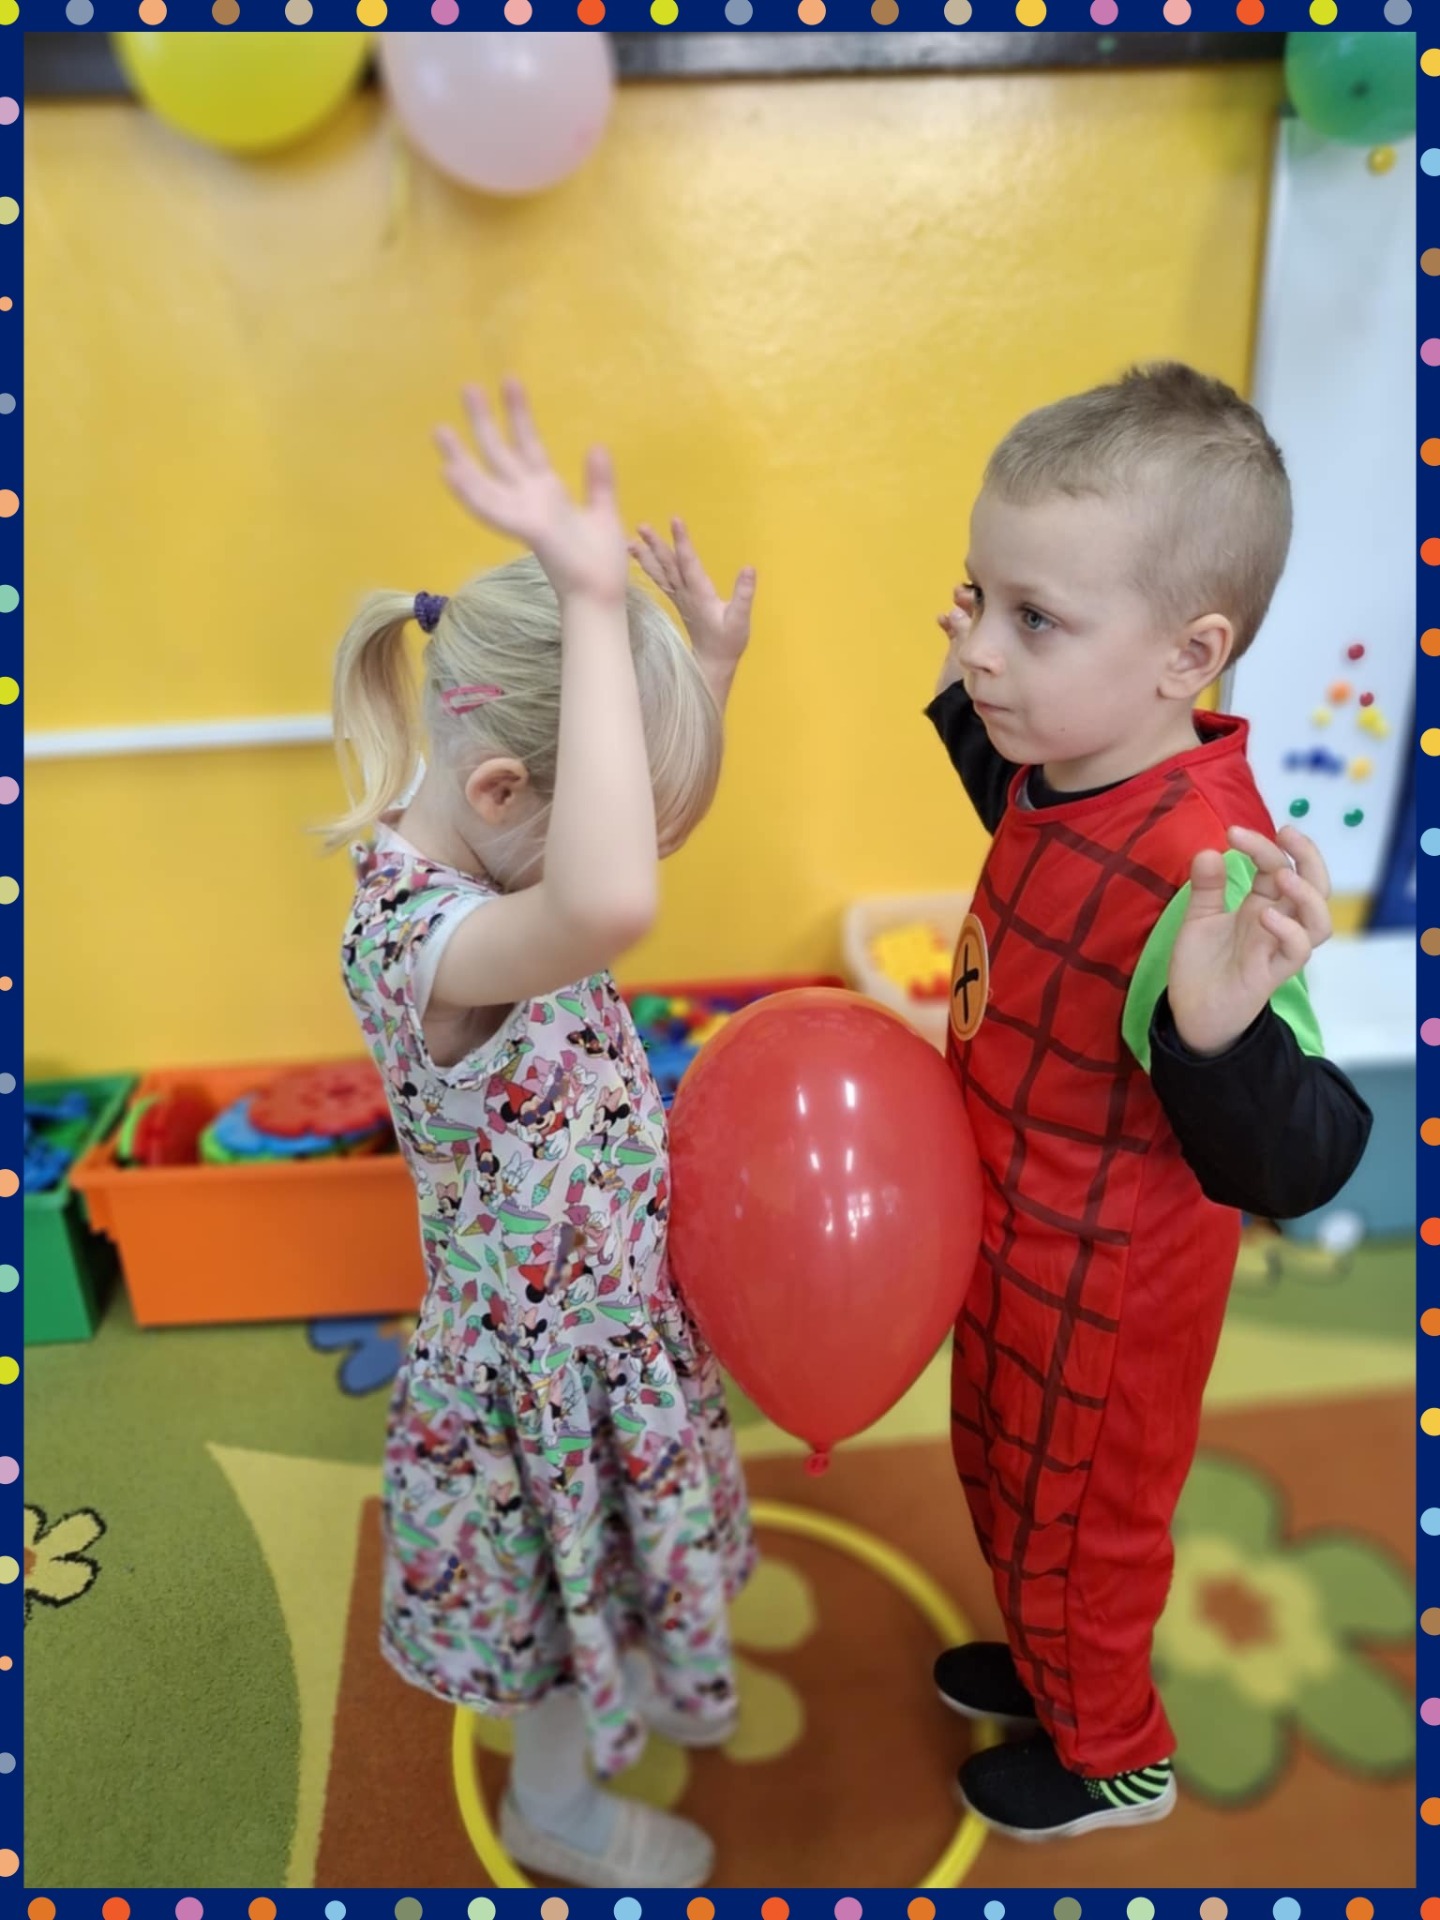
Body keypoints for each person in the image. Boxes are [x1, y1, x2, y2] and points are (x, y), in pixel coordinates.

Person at [924, 362, 1373, 1841]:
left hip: (1106, 1303)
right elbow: (1036, 839)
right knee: (1002, 1479)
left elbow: (1303, 1158)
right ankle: (1052, 1666)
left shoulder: (1214, 877)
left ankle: (1114, 1753)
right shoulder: (1070, 754)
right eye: (978, 599)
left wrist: (1219, 1031)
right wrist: (988, 672)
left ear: (1191, 657)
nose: (982, 650)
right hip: (1013, 1238)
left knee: (1084, 1529)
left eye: (1033, 620)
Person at [329, 379, 758, 1887]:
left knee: (621, 1579)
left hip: (612, 1334)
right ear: (507, 789)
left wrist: (703, 667)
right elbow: (610, 893)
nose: (642, 856)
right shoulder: (428, 947)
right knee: (568, 1618)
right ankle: (556, 1811)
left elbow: (614, 854)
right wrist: (589, 602)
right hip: (542, 1387)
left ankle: (639, 1663)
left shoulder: (501, 859)